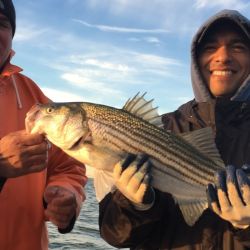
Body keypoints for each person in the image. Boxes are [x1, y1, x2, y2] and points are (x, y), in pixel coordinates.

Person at [99, 9, 250, 250]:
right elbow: (113, 236)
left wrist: (247, 226)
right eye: (210, 47)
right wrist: (134, 203)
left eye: (238, 47)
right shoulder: (158, 129)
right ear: (195, 60)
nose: (223, 57)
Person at [0, 1, 87, 249]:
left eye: (2, 23)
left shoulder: (34, 99)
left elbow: (68, 165)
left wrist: (65, 194)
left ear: (12, 35)